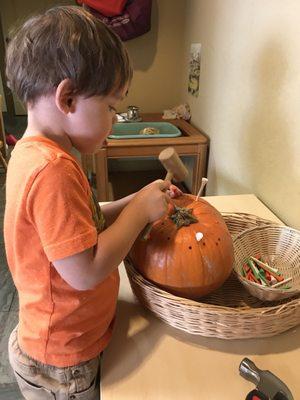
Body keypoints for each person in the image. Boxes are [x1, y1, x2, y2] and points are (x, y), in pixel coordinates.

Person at [4, 6, 181, 399]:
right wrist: (137, 216)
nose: (114, 120)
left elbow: (81, 228)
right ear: (66, 98)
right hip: (62, 362)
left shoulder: (37, 153)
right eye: (111, 107)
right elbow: (84, 271)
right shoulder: (52, 169)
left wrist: (134, 199)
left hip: (64, 340)